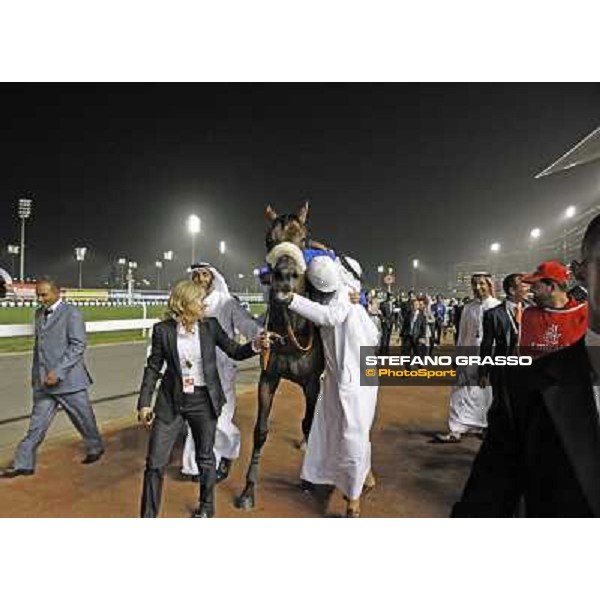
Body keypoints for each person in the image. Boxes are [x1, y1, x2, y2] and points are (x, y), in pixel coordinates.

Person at [452, 215, 600, 517]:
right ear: (583, 272)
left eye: (537, 285)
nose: (531, 291)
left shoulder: (576, 312)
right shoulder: (519, 390)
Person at [137, 280, 269, 518]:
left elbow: (235, 351)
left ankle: (206, 507)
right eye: (199, 300)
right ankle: (148, 516)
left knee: (205, 458)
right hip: (171, 403)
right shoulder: (162, 331)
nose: (204, 304)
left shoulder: (210, 326)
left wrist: (256, 345)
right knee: (155, 462)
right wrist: (145, 402)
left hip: (203, 401)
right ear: (184, 304)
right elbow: (153, 368)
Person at [283, 254, 380, 517]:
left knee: (351, 432)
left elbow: (330, 318)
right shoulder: (348, 296)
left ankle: (353, 497)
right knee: (338, 427)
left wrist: (293, 299)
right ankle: (364, 476)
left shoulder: (344, 296)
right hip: (346, 374)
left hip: (355, 376)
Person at [1, 278, 104, 478]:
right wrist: (35, 376)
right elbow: (38, 349)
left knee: (84, 420)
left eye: (44, 295)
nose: (40, 299)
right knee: (36, 425)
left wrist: (58, 372)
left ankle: (95, 447)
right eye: (37, 295)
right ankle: (23, 464)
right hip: (43, 383)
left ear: (58, 292)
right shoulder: (39, 313)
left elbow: (78, 345)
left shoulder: (72, 313)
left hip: (69, 382)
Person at [181, 263, 262, 483]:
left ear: (213, 278)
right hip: (194, 370)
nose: (199, 278)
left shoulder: (226, 302)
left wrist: (260, 336)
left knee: (219, 420)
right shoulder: (188, 303)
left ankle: (226, 453)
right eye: (196, 275)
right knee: (196, 420)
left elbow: (246, 323)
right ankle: (195, 466)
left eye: (204, 274)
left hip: (221, 369)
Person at [434, 273, 500, 443]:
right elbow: (463, 334)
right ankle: (455, 429)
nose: (478, 288)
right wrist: (457, 356)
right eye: (474, 285)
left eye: (481, 284)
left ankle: (483, 426)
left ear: (490, 285)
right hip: (468, 355)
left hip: (488, 357)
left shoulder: (498, 307)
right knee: (460, 391)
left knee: (486, 393)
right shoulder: (468, 308)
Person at [519, 261, 587, 359]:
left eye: (535, 285)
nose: (531, 290)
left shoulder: (585, 315)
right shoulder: (529, 314)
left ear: (551, 287)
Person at [478, 273, 529, 389]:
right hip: (504, 370)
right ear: (512, 290)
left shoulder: (533, 310)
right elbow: (487, 344)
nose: (528, 288)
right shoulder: (493, 314)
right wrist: (483, 373)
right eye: (524, 285)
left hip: (529, 369)